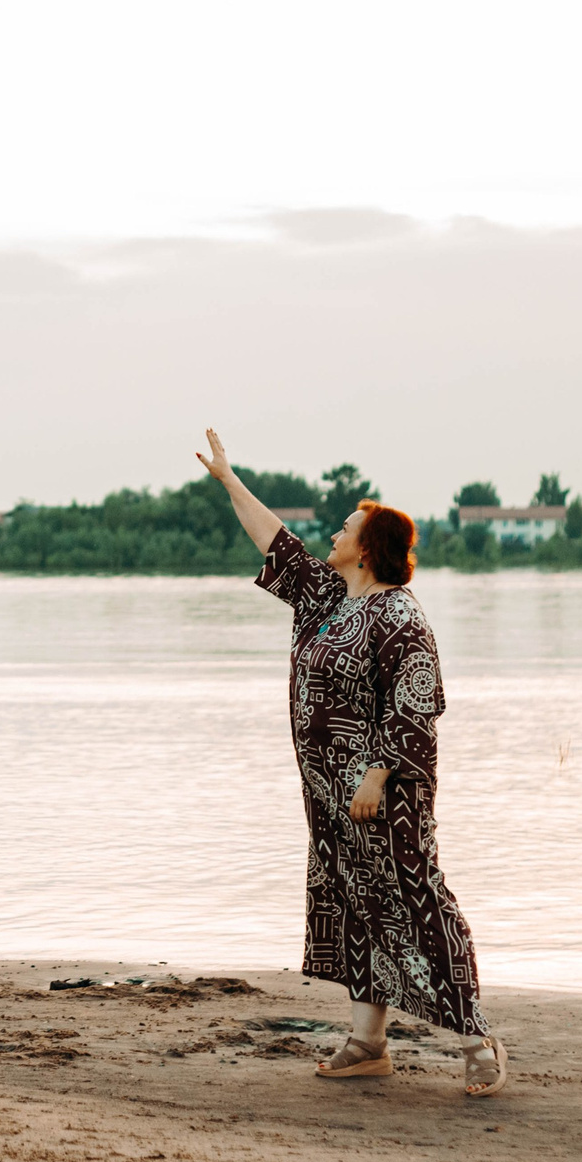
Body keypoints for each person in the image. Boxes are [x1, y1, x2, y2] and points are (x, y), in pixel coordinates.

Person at [196, 428, 506, 1098]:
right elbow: (274, 539)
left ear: (369, 548)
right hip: (328, 799)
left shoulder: (399, 616)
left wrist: (375, 775)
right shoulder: (328, 600)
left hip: (381, 796)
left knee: (421, 905)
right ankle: (368, 1041)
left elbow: (417, 702)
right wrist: (229, 480)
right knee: (358, 906)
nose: (334, 531)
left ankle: (477, 1041)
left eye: (346, 526)